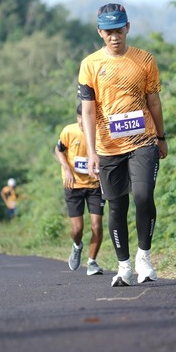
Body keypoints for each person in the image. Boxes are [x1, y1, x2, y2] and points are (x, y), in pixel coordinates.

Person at [77, 3, 168, 287]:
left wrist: (161, 137)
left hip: (144, 140)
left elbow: (154, 102)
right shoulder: (90, 64)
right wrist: (91, 151)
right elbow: (88, 110)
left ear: (127, 28)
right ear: (100, 32)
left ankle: (144, 258)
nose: (114, 37)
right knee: (116, 206)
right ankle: (124, 266)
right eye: (108, 32)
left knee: (143, 195)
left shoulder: (144, 59)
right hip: (107, 147)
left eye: (119, 30)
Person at [55, 104, 104, 276]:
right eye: (80, 118)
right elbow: (58, 150)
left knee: (97, 226)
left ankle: (92, 262)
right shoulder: (69, 131)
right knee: (77, 230)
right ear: (77, 118)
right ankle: (77, 246)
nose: (83, 122)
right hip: (73, 185)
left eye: (87, 118)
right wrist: (67, 169)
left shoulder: (101, 132)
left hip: (95, 185)